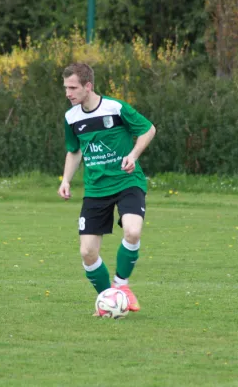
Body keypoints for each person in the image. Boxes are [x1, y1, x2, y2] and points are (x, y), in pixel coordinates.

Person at [57, 63, 156, 315]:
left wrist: (133, 155)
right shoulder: (71, 117)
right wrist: (66, 180)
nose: (68, 93)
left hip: (126, 182)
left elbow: (148, 129)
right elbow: (74, 150)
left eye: (73, 87)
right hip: (95, 189)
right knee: (87, 252)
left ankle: (122, 286)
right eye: (66, 87)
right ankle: (107, 300)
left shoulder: (116, 107)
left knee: (133, 232)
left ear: (88, 86)